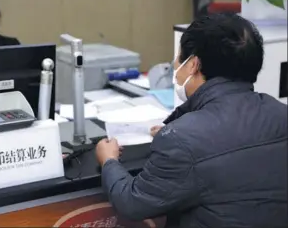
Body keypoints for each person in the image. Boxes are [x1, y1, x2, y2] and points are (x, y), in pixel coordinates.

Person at [96, 13, 287, 228]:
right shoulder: (281, 113)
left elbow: (132, 203)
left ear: (194, 64)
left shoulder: (181, 139)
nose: (175, 66)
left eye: (179, 58)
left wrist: (109, 161)